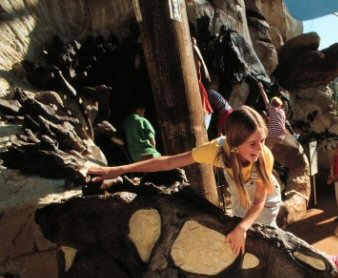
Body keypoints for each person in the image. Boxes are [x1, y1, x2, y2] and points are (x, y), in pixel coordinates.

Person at [88, 106, 281, 255]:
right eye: (254, 143)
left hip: (264, 202)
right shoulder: (217, 150)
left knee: (267, 245)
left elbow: (259, 202)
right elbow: (168, 162)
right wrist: (117, 170)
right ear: (235, 143)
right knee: (238, 245)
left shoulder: (265, 157)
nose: (260, 148)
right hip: (241, 198)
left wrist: (242, 227)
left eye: (262, 141)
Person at [257, 82, 286, 148]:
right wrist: (268, 118)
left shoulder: (272, 108)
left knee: (263, 147)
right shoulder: (282, 112)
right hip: (281, 136)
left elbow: (265, 98)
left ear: (272, 103)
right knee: (269, 147)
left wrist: (261, 88)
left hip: (273, 134)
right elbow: (278, 121)